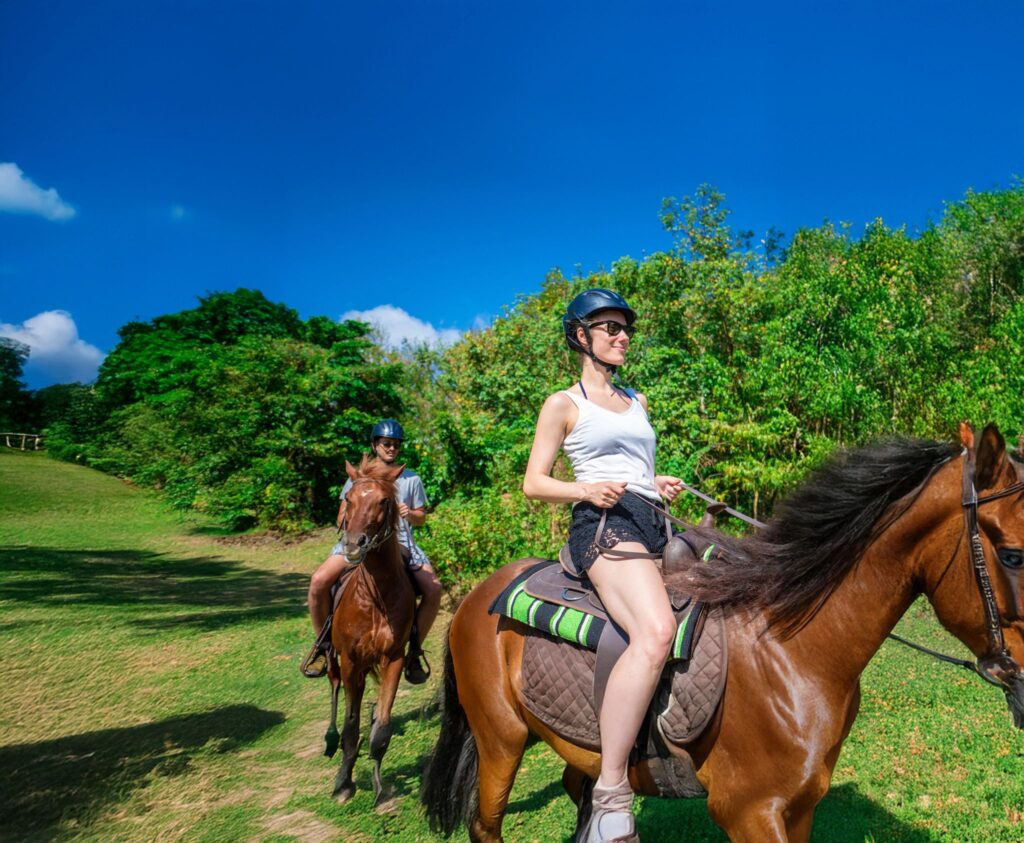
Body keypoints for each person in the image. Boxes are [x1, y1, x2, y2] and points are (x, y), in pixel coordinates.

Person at [522, 289, 683, 843]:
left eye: (624, 328)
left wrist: (656, 482)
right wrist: (585, 487)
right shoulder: (563, 403)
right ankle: (611, 793)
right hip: (602, 524)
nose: (622, 335)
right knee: (656, 630)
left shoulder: (636, 398)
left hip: (651, 517)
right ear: (580, 336)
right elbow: (533, 482)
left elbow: (640, 465)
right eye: (608, 327)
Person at [302, 418, 442, 684]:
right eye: (387, 444)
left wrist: (409, 513)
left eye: (396, 445)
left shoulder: (411, 479)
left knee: (433, 589)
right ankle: (322, 645)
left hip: (400, 541)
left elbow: (422, 517)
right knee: (319, 581)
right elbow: (341, 515)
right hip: (357, 540)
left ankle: (414, 649)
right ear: (375, 445)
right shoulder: (357, 477)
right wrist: (351, 518)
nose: (392, 449)